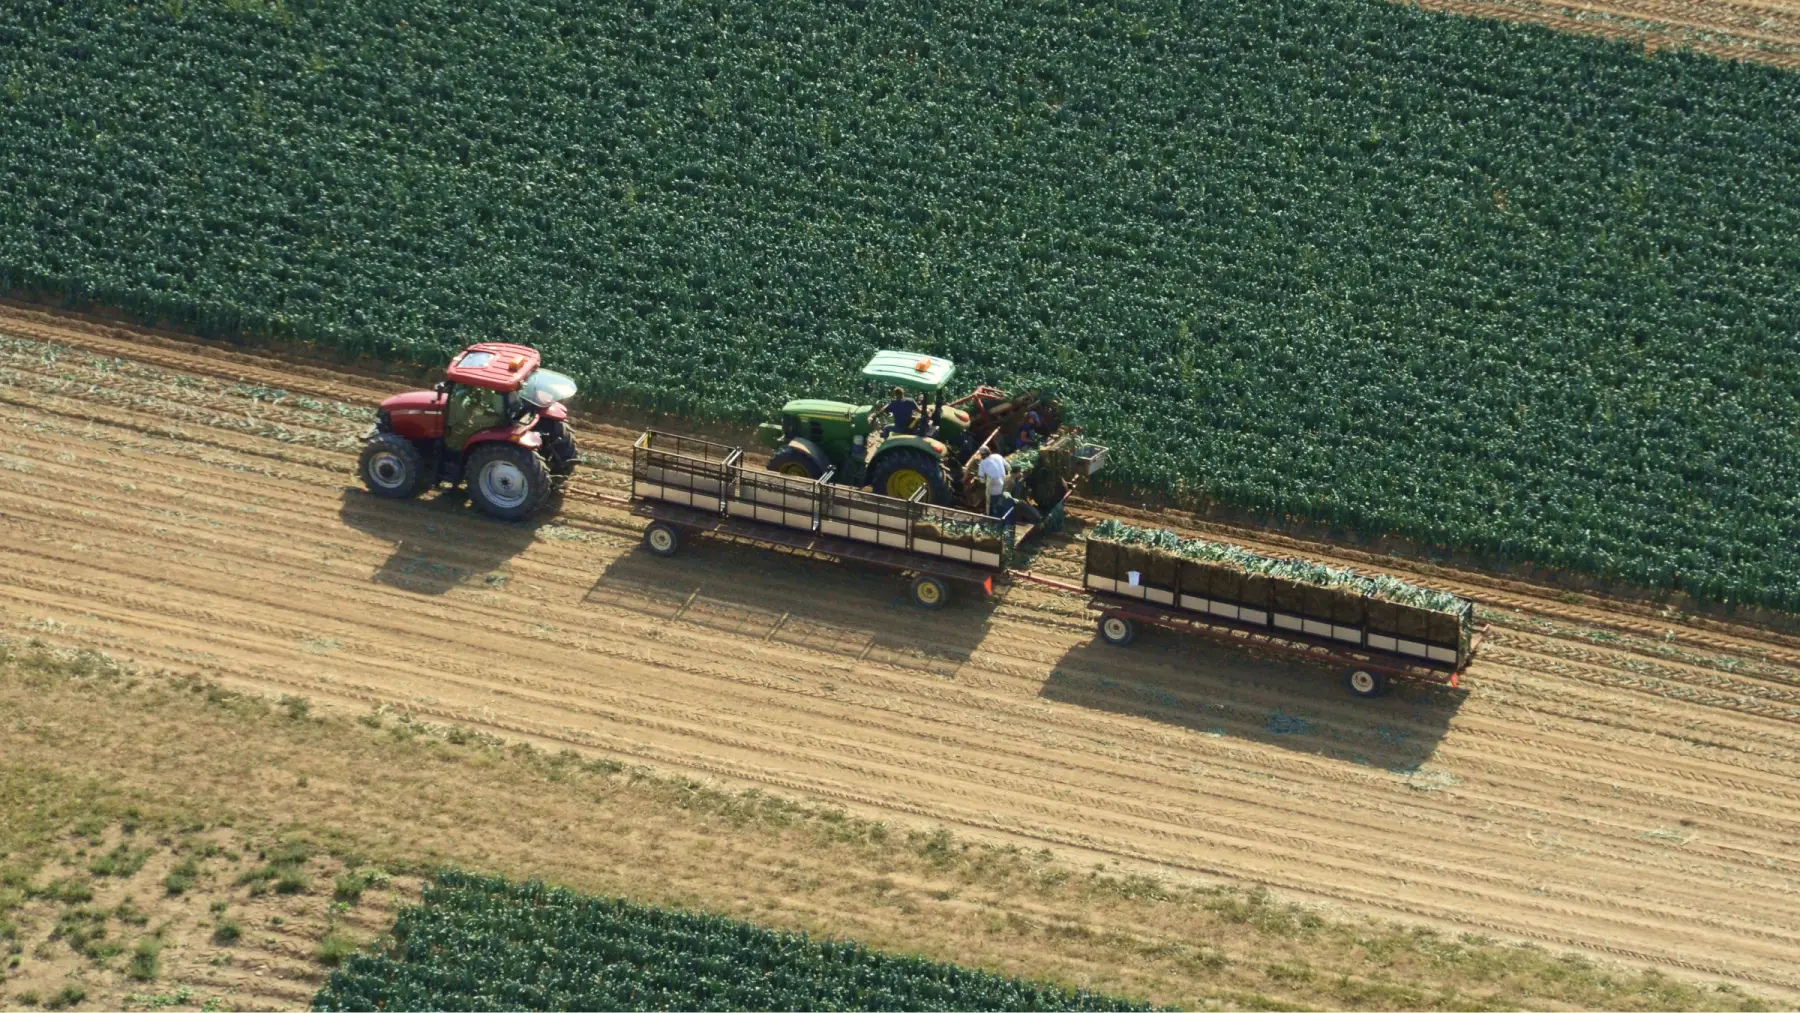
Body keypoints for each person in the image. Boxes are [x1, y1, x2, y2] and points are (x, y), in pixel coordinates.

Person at [978, 447, 1010, 519]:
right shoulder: (998, 456)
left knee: (992, 503)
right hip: (1004, 484)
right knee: (1001, 502)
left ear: (982, 455)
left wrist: (983, 481)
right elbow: (1008, 466)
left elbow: (981, 479)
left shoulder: (983, 463)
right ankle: (1002, 516)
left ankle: (993, 519)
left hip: (993, 488)